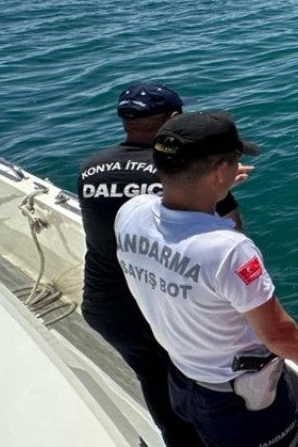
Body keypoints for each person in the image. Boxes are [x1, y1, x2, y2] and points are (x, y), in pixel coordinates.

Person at [115, 111, 298, 447]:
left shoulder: (131, 212)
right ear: (221, 171)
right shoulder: (229, 250)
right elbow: (279, 335)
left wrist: (213, 188)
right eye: (233, 161)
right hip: (239, 401)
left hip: (183, 379)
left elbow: (177, 220)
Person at [78, 83, 248, 447]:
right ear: (173, 120)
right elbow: (232, 233)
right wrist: (220, 187)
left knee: (151, 379)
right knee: (201, 386)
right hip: (162, 304)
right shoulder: (181, 174)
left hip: (106, 304)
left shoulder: (90, 168)